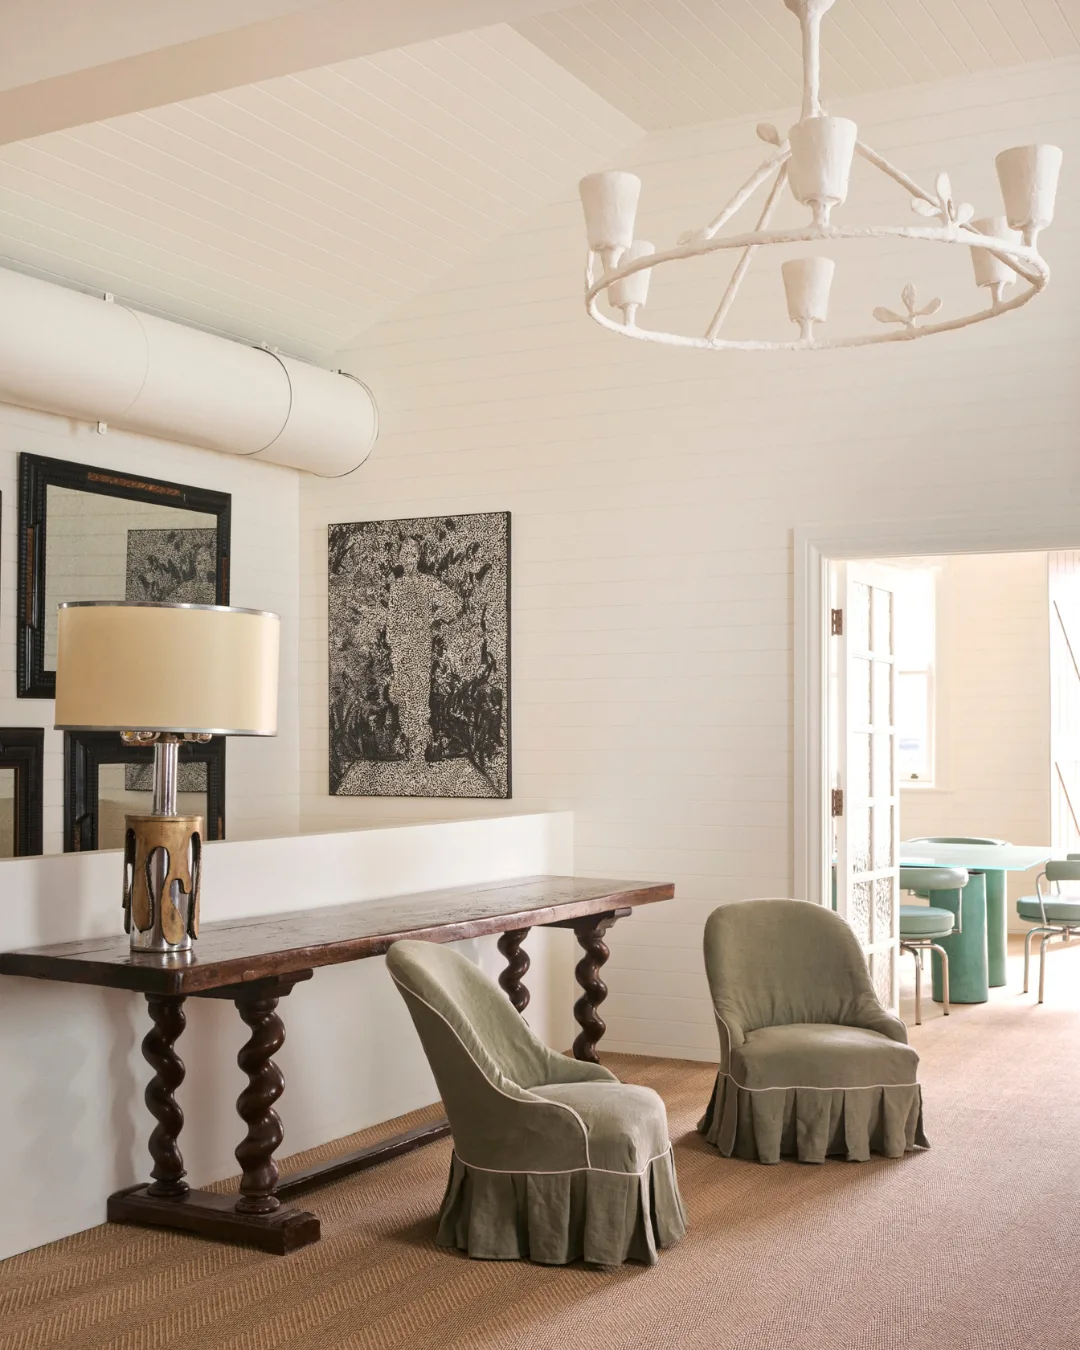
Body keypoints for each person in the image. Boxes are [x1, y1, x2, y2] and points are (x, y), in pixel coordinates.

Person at [385, 539, 459, 761]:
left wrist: (435, 617)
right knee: (403, 694)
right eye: (404, 554)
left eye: (412, 554)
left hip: (420, 647)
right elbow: (392, 620)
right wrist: (394, 647)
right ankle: (408, 744)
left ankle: (419, 745)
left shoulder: (428, 583)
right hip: (401, 649)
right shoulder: (396, 586)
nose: (409, 559)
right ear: (399, 558)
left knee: (419, 694)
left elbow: (454, 602)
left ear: (418, 557)